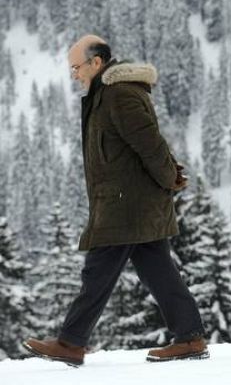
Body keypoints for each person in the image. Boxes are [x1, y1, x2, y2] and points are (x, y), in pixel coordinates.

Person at [23, 36, 207, 366]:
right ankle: (190, 338)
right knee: (158, 270)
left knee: (98, 271)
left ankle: (71, 342)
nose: (74, 75)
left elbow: (150, 143)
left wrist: (170, 178)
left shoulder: (119, 94)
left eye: (77, 67)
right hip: (127, 200)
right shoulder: (104, 95)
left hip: (127, 204)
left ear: (97, 63)